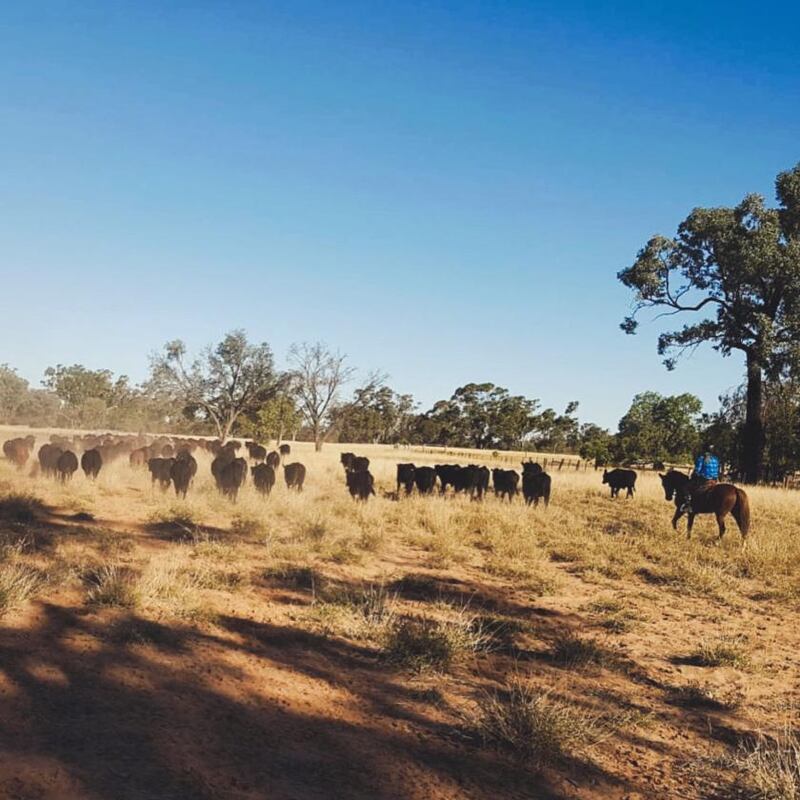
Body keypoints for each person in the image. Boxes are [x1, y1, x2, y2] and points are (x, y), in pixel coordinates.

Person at [680, 444, 720, 513]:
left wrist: (694, 475)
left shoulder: (702, 458)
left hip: (704, 480)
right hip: (714, 480)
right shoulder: (716, 459)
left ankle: (688, 505)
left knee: (686, 487)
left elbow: (697, 471)